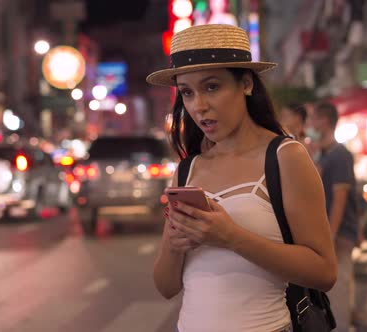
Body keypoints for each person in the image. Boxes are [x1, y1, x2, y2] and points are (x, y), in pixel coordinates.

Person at [147, 24, 337, 332]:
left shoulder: (285, 157)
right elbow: (166, 287)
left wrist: (231, 237)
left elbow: (324, 272)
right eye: (187, 92)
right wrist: (174, 241)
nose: (199, 105)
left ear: (246, 83)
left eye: (212, 87)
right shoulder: (187, 169)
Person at [306, 102, 360, 332]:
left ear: (324, 121)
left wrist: (330, 236)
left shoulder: (339, 155)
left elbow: (339, 198)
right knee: (336, 294)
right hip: (332, 234)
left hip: (338, 234)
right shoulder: (325, 154)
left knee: (338, 296)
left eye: (313, 119)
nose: (310, 125)